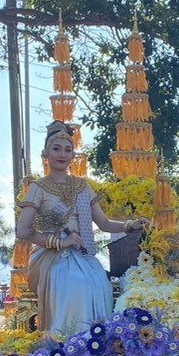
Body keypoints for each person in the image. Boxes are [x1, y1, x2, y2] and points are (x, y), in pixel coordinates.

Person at [16, 121, 148, 335]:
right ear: (46, 154)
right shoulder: (38, 189)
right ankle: (65, 343)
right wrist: (60, 242)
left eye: (68, 150)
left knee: (100, 281)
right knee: (74, 282)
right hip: (51, 257)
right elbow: (22, 231)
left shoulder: (82, 186)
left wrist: (131, 225)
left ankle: (95, 344)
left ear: (73, 155)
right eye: (56, 148)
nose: (62, 154)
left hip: (82, 253)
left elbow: (104, 223)